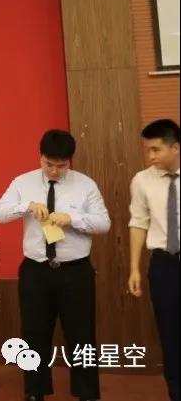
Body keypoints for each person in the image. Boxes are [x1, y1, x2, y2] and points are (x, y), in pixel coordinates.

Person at [0, 129, 110, 401]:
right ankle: (34, 392)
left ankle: (87, 393)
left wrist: (73, 219)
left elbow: (104, 223)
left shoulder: (85, 185)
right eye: (49, 164)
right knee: (34, 333)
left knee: (82, 334)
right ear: (40, 157)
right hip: (36, 271)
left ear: (70, 161)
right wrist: (26, 205)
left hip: (75, 272)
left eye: (62, 165)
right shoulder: (23, 182)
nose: (55, 171)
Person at [127, 118, 180, 401]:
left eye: (156, 150)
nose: (150, 156)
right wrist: (134, 268)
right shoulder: (142, 180)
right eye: (147, 150)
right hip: (163, 265)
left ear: (175, 147)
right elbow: (138, 223)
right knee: (170, 335)